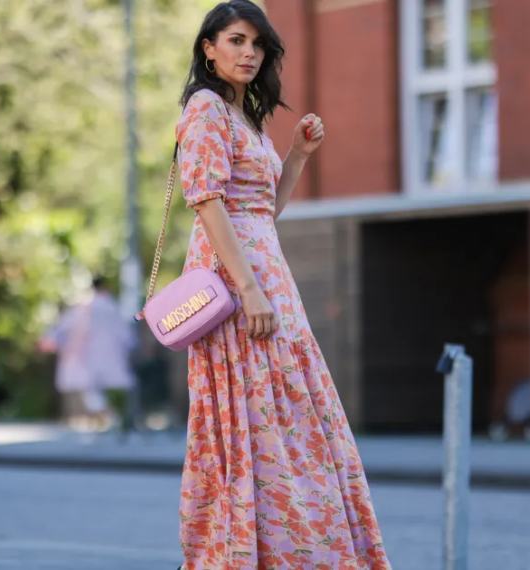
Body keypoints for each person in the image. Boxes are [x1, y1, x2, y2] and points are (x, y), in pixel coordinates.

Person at [173, 2, 391, 568]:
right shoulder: (205, 109)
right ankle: (249, 551)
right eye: (237, 41)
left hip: (267, 275)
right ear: (209, 49)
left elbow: (262, 211)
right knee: (253, 415)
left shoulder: (246, 118)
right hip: (236, 282)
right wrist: (248, 289)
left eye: (258, 45)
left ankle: (293, 548)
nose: (249, 53)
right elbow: (207, 202)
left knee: (289, 413)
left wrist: (294, 157)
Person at [40, 277, 138, 432]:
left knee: (91, 390)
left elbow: (62, 329)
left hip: (86, 357)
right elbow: (127, 336)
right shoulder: (112, 307)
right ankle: (110, 421)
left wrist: (51, 340)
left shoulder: (83, 308)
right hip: (109, 357)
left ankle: (108, 420)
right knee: (101, 391)